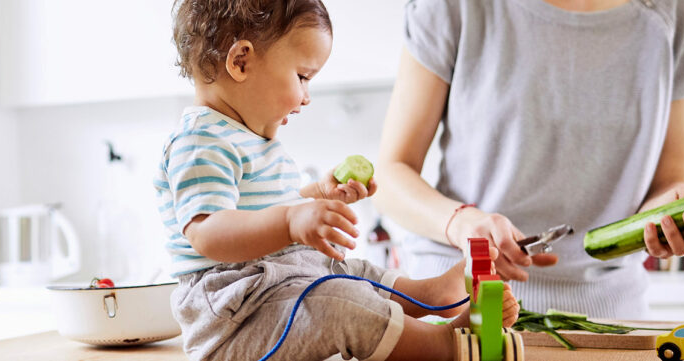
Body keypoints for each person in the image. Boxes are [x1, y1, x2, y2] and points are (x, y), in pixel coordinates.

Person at [155, 1, 517, 360]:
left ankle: (428, 295)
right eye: (302, 77)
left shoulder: (250, 136)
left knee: (349, 271)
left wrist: (315, 198)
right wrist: (291, 221)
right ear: (241, 61)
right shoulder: (200, 141)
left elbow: (261, 207)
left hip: (273, 282)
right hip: (237, 316)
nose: (306, 97)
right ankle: (444, 346)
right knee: (339, 304)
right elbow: (206, 231)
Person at [374, 0, 684, 320]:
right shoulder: (455, 7)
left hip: (608, 316)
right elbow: (391, 175)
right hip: (461, 303)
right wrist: (460, 223)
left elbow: (670, 181)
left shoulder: (683, 16)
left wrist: (671, 214)